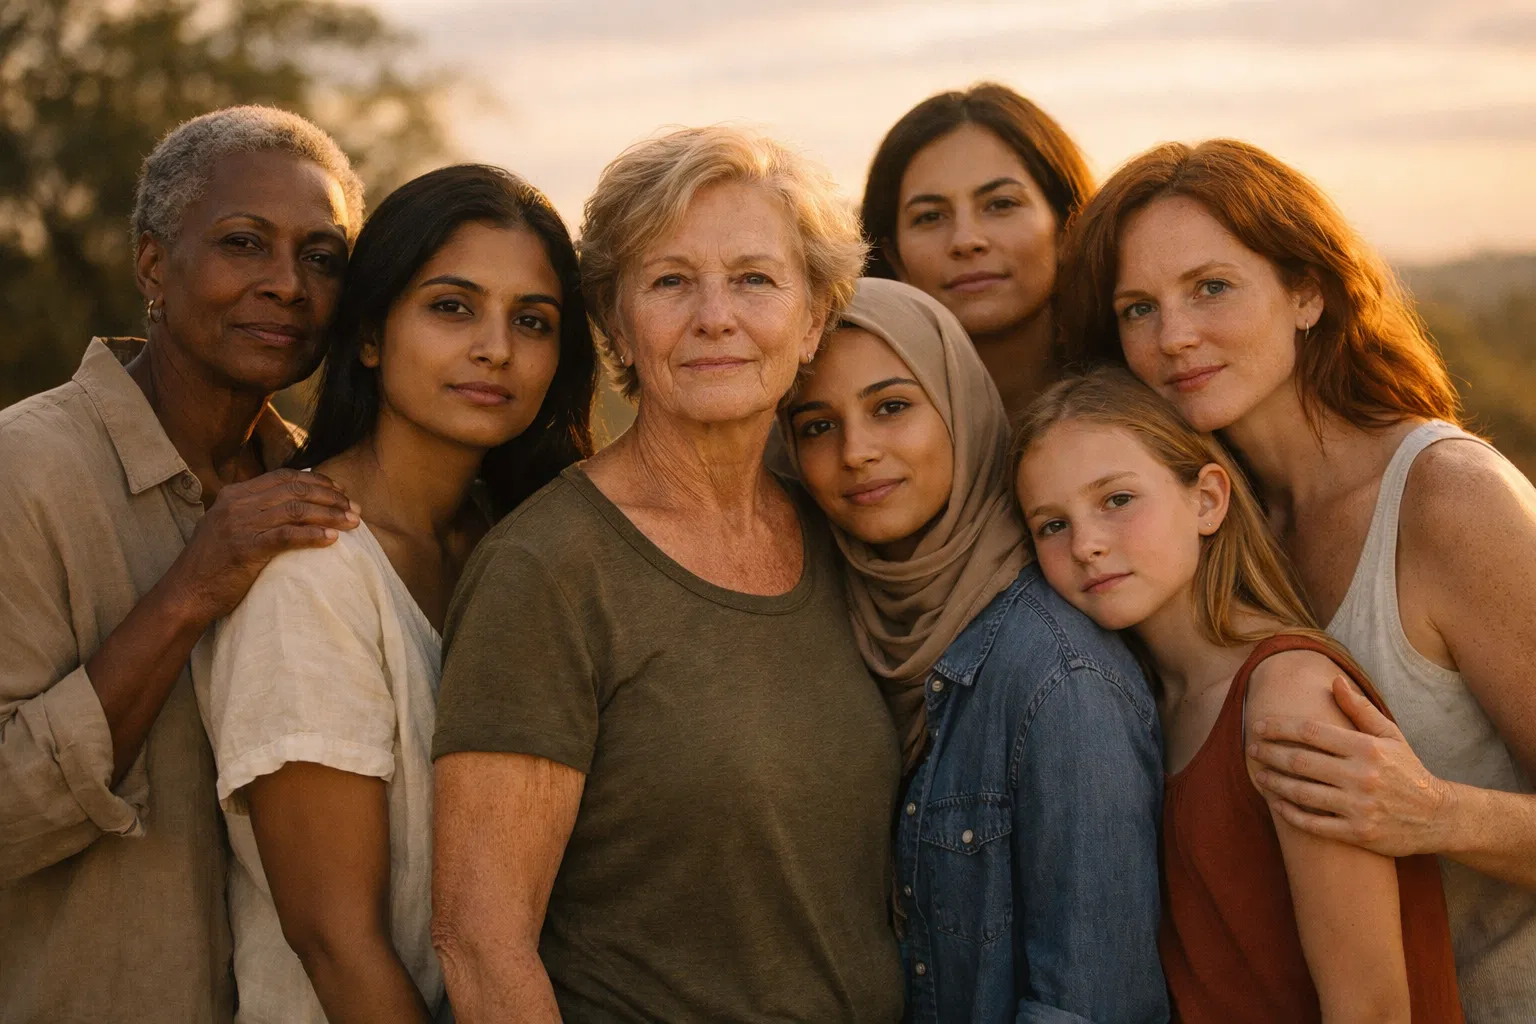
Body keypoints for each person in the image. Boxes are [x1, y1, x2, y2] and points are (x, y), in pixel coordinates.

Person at [429, 127, 904, 1023]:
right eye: (671, 281)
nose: (715, 316)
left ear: (814, 320)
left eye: (756, 278)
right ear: (615, 322)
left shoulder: (837, 528)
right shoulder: (549, 571)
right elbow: (480, 941)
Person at [1058, 138, 1536, 1020]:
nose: (1174, 336)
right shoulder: (1198, 528)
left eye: (1211, 287)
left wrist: (1435, 814)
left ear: (1307, 292)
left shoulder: (1446, 499)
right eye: (1137, 308)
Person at [195, 164, 595, 1024]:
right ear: (372, 334)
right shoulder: (311, 571)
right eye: (453, 307)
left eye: (533, 320)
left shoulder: (515, 541)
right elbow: (338, 945)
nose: (496, 347)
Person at [0, 105, 363, 1022]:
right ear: (154, 265)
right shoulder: (24, 471)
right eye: (245, 244)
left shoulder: (326, 491)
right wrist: (190, 589)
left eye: (322, 257)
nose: (287, 284)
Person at [1013, 366, 1464, 1023]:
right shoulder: (1138, 705)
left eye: (1116, 500)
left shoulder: (1289, 697)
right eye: (1051, 525)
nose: (1087, 545)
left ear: (1207, 500)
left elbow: (1371, 1009)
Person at [777, 278, 1168, 1023]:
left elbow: (1092, 1003)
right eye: (816, 426)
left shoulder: (1060, 674)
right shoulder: (830, 623)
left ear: (961, 409)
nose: (856, 453)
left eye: (892, 407)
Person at [860, 83, 1093, 418]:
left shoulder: (1154, 403)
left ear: (1067, 227)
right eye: (930, 216)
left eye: (1000, 204)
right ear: (893, 256)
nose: (966, 240)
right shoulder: (855, 432)